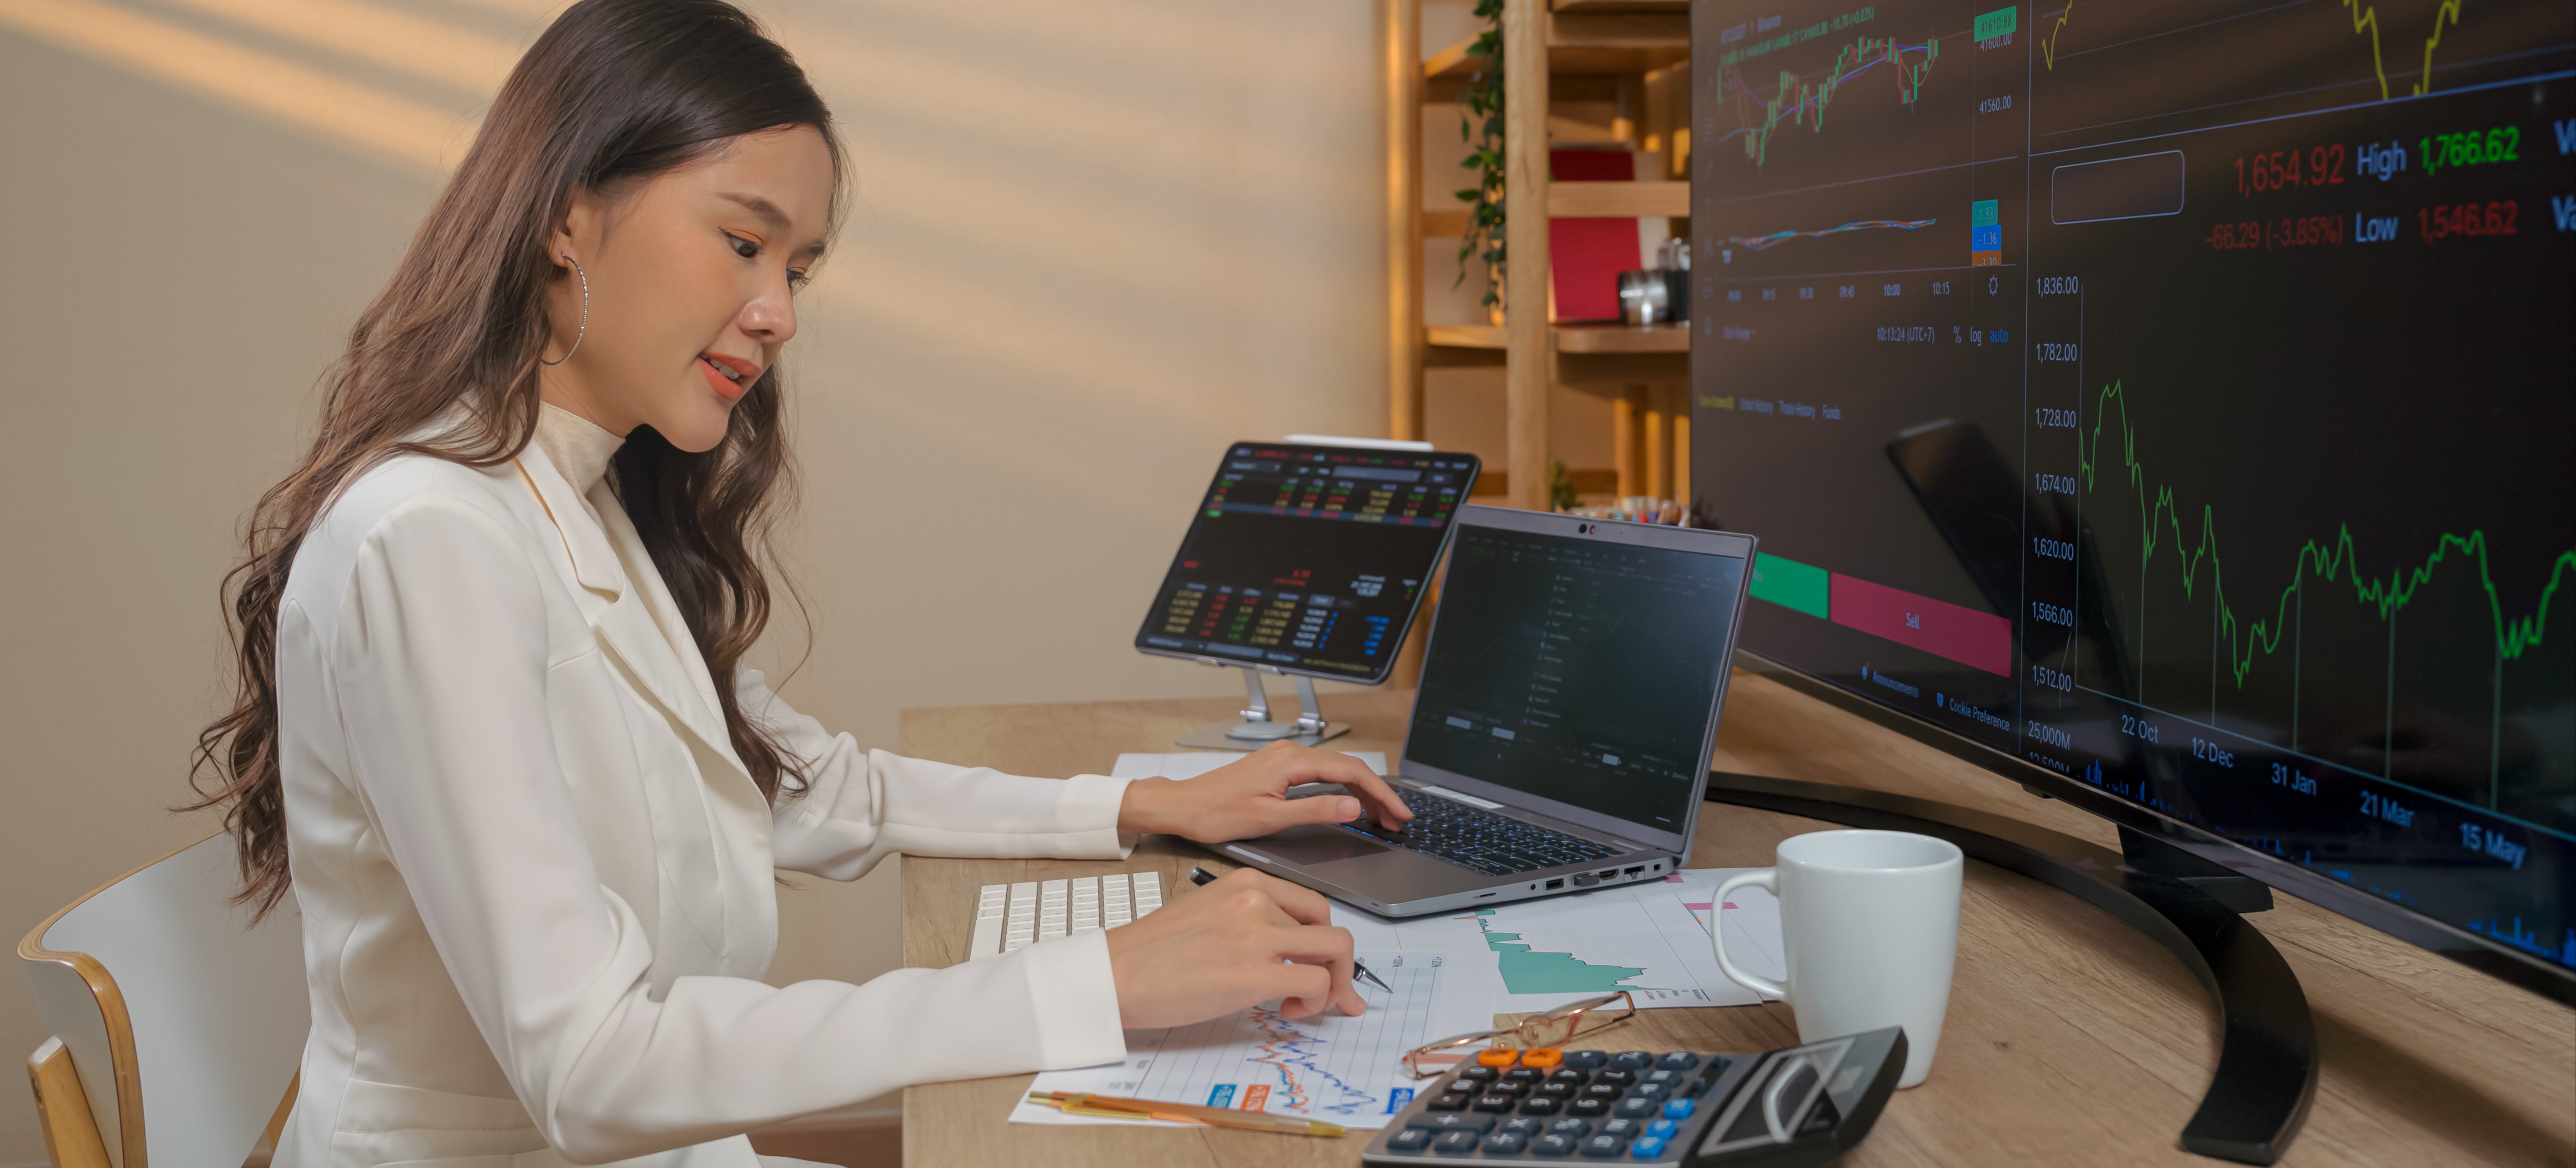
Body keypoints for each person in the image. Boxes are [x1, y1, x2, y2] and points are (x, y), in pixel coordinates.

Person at [184, 2, 1412, 1164]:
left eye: (798, 271)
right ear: (567, 219)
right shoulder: (432, 537)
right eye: (741, 242)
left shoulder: (585, 503)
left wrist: (1147, 802)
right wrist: (1101, 984)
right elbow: (590, 1065)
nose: (774, 314)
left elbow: (812, 787)